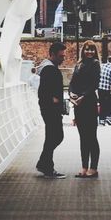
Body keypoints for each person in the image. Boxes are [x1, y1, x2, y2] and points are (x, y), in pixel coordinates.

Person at [70, 41, 101, 177]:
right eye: (87, 49)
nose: (89, 52)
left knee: (91, 136)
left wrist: (83, 96)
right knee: (83, 137)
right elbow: (72, 82)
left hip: (89, 103)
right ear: (83, 50)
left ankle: (93, 168)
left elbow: (95, 84)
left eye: (92, 50)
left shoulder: (95, 64)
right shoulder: (78, 64)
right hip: (79, 104)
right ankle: (84, 167)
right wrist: (71, 94)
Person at [36, 40, 66, 176]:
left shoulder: (48, 67)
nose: (63, 58)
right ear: (52, 54)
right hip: (50, 109)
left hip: (49, 108)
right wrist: (53, 100)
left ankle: (45, 164)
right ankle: (45, 165)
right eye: (61, 56)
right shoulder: (49, 69)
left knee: (53, 136)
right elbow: (43, 91)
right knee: (56, 136)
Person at [98, 54, 111, 124]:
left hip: (99, 88)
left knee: (101, 103)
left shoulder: (102, 66)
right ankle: (106, 117)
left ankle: (101, 119)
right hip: (106, 89)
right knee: (107, 104)